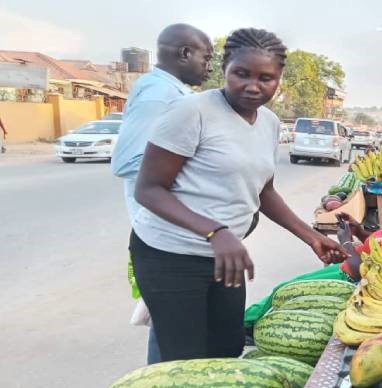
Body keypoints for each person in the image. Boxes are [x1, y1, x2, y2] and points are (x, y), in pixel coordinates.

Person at [131, 28, 346, 361]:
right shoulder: (192, 112)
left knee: (226, 348)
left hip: (224, 258)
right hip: (169, 254)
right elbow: (148, 189)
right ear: (224, 69)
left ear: (279, 80)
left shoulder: (269, 123)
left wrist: (311, 236)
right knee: (182, 359)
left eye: (266, 78)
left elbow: (264, 190)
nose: (253, 86)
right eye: (241, 74)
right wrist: (215, 231)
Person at [111, 23, 213, 365]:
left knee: (183, 328)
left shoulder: (173, 92)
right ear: (184, 53)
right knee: (171, 333)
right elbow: (127, 161)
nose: (210, 66)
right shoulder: (159, 95)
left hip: (181, 234)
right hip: (164, 235)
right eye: (206, 57)